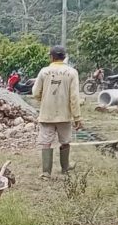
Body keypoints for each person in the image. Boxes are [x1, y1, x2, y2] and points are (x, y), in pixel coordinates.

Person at [32, 45, 82, 179]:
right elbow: (74, 97)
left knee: (46, 142)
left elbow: (35, 93)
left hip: (46, 114)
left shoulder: (44, 72)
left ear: (51, 57)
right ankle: (65, 168)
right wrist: (77, 117)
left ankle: (46, 172)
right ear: (64, 57)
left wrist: (44, 99)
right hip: (64, 115)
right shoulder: (72, 72)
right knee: (65, 141)